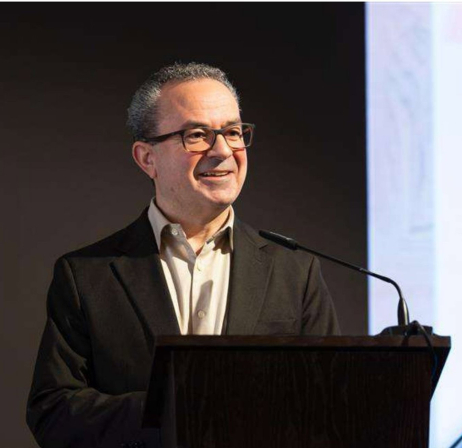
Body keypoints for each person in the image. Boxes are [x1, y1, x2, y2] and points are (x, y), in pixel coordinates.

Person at [26, 62, 340, 448]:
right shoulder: (87, 275)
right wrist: (176, 410)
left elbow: (330, 406)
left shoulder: (296, 272)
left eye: (233, 132)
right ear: (147, 158)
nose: (222, 151)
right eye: (197, 135)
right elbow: (53, 412)